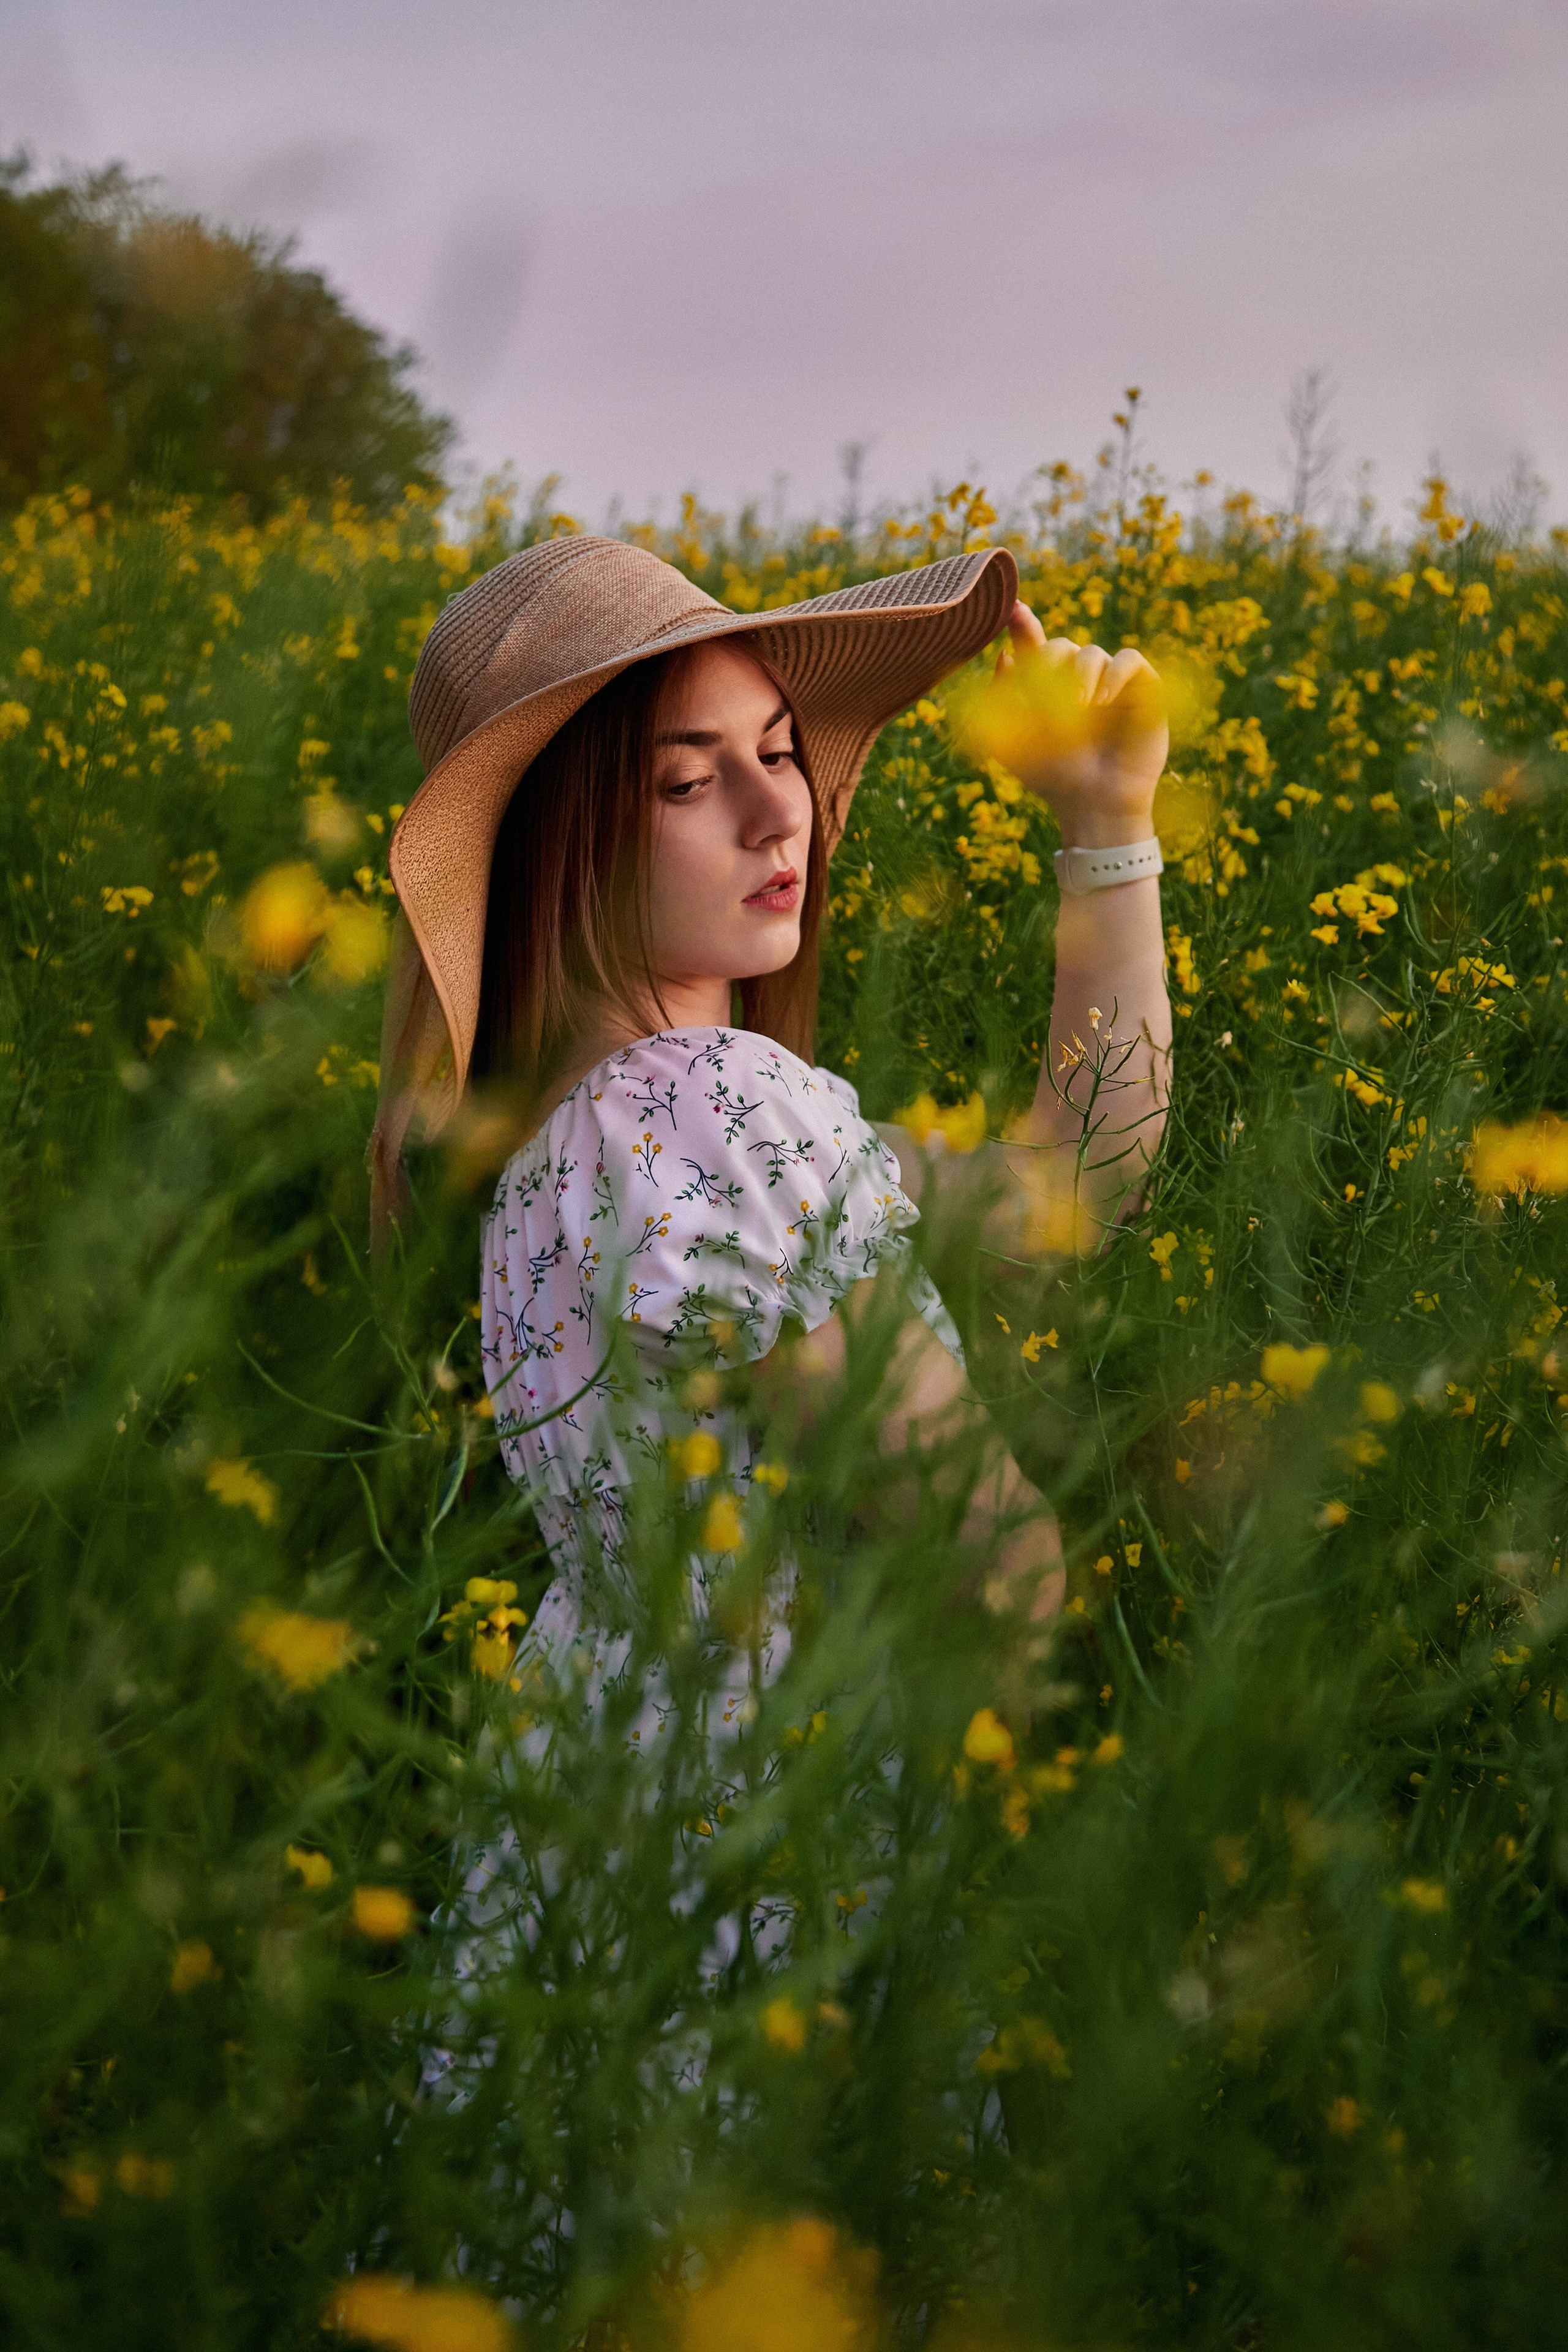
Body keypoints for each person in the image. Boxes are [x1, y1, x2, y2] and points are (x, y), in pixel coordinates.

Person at [372, 533, 1172, 1691]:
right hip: (783, 1830)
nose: (776, 814)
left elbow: (1064, 1193)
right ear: (558, 842)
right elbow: (998, 1572)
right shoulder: (708, 1107)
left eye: (781, 752)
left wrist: (1108, 826)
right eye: (689, 781)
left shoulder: (574, 1138)